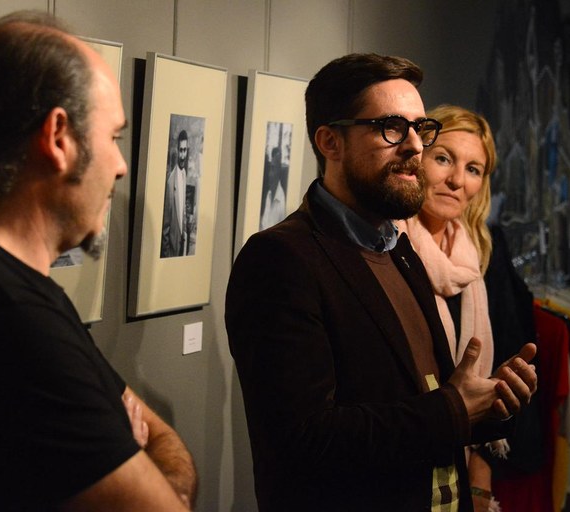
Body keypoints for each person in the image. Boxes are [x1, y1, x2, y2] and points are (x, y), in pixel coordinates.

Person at [0, 11, 196, 511]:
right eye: (113, 138)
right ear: (58, 138)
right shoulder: (1, 309)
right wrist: (139, 454)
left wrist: (150, 463)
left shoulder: (3, 286)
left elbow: (160, 438)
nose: (120, 166)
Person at [225, 53, 538, 511]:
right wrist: (454, 409)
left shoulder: (400, 249)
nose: (414, 146)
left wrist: (488, 405)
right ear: (330, 142)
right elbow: (303, 439)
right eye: (391, 128)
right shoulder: (281, 259)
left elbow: (418, 397)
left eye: (420, 128)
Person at [395, 105, 502, 512]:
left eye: (473, 169)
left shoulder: (472, 259)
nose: (457, 180)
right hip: (398, 465)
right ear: (417, 157)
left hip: (457, 469)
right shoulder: (388, 247)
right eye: (444, 159)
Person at [161, 129, 190, 257]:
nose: (183, 155)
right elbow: (166, 226)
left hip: (181, 247)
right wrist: (166, 255)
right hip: (171, 251)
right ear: (177, 151)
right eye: (181, 150)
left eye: (185, 150)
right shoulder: (170, 181)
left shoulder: (184, 175)